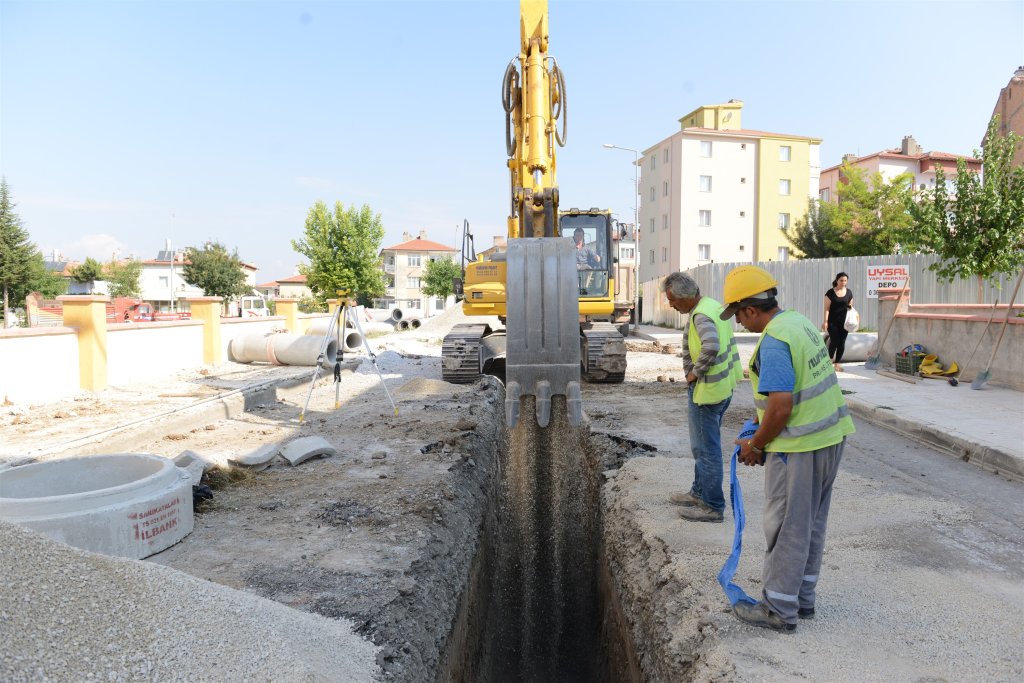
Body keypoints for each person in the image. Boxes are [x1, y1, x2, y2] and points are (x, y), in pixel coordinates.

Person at [719, 265, 855, 632]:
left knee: (787, 526)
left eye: (738, 316)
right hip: (829, 435)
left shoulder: (775, 341)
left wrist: (755, 445)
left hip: (802, 446)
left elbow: (781, 407)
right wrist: (758, 429)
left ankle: (779, 609)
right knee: (810, 522)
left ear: (750, 309)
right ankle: (802, 600)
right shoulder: (798, 323)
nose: (739, 324)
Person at [664, 272, 743, 523]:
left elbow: (711, 345)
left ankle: (712, 506)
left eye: (673, 300)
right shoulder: (711, 305)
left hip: (708, 393)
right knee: (703, 447)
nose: (671, 305)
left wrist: (693, 375)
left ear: (686, 297)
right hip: (722, 389)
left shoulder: (700, 315)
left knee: (706, 450)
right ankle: (699, 492)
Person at [822, 272, 853, 372]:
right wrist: (825, 321)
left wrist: (852, 317)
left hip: (845, 323)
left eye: (845, 280)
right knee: (834, 341)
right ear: (836, 280)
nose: (843, 282)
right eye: (841, 280)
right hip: (832, 322)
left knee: (842, 343)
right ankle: (829, 361)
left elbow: (850, 307)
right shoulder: (830, 293)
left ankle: (837, 364)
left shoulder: (849, 293)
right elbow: (827, 309)